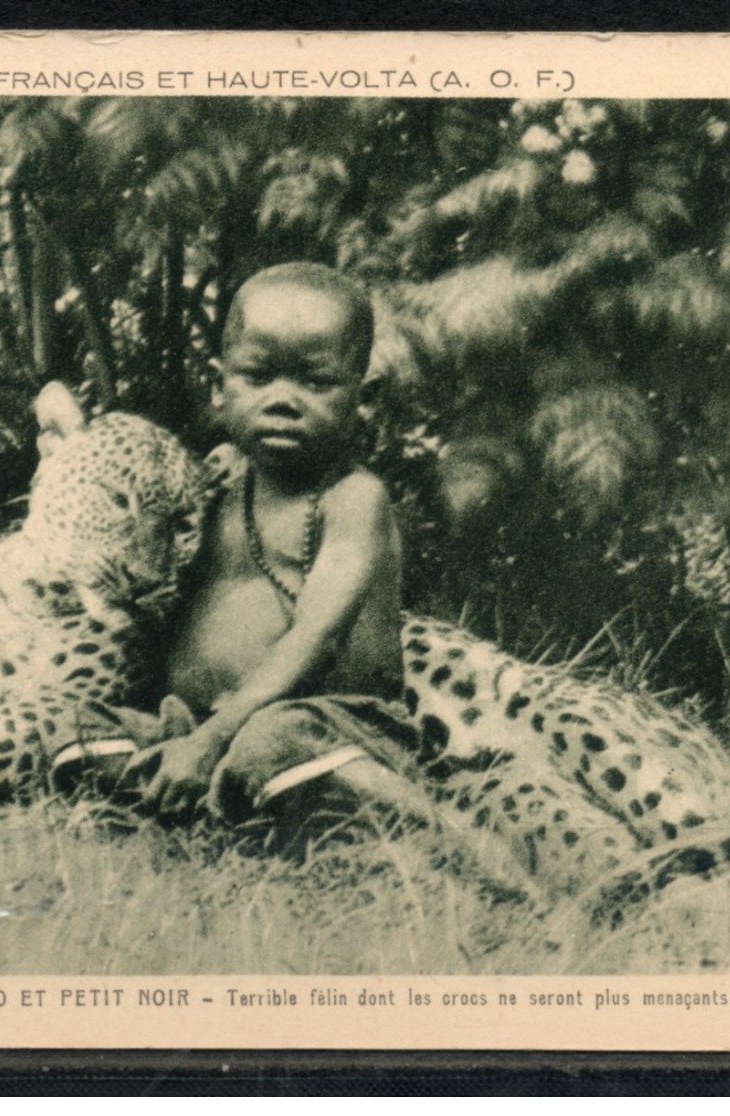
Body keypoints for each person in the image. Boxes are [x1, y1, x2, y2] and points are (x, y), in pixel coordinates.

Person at [121, 262, 492, 858]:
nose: (283, 401)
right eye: (258, 377)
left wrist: (216, 736)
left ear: (363, 396)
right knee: (84, 726)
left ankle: (443, 842)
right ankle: (219, 801)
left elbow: (314, 638)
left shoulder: (354, 500)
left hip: (333, 723)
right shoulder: (218, 492)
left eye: (315, 383)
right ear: (221, 386)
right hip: (199, 725)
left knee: (272, 742)